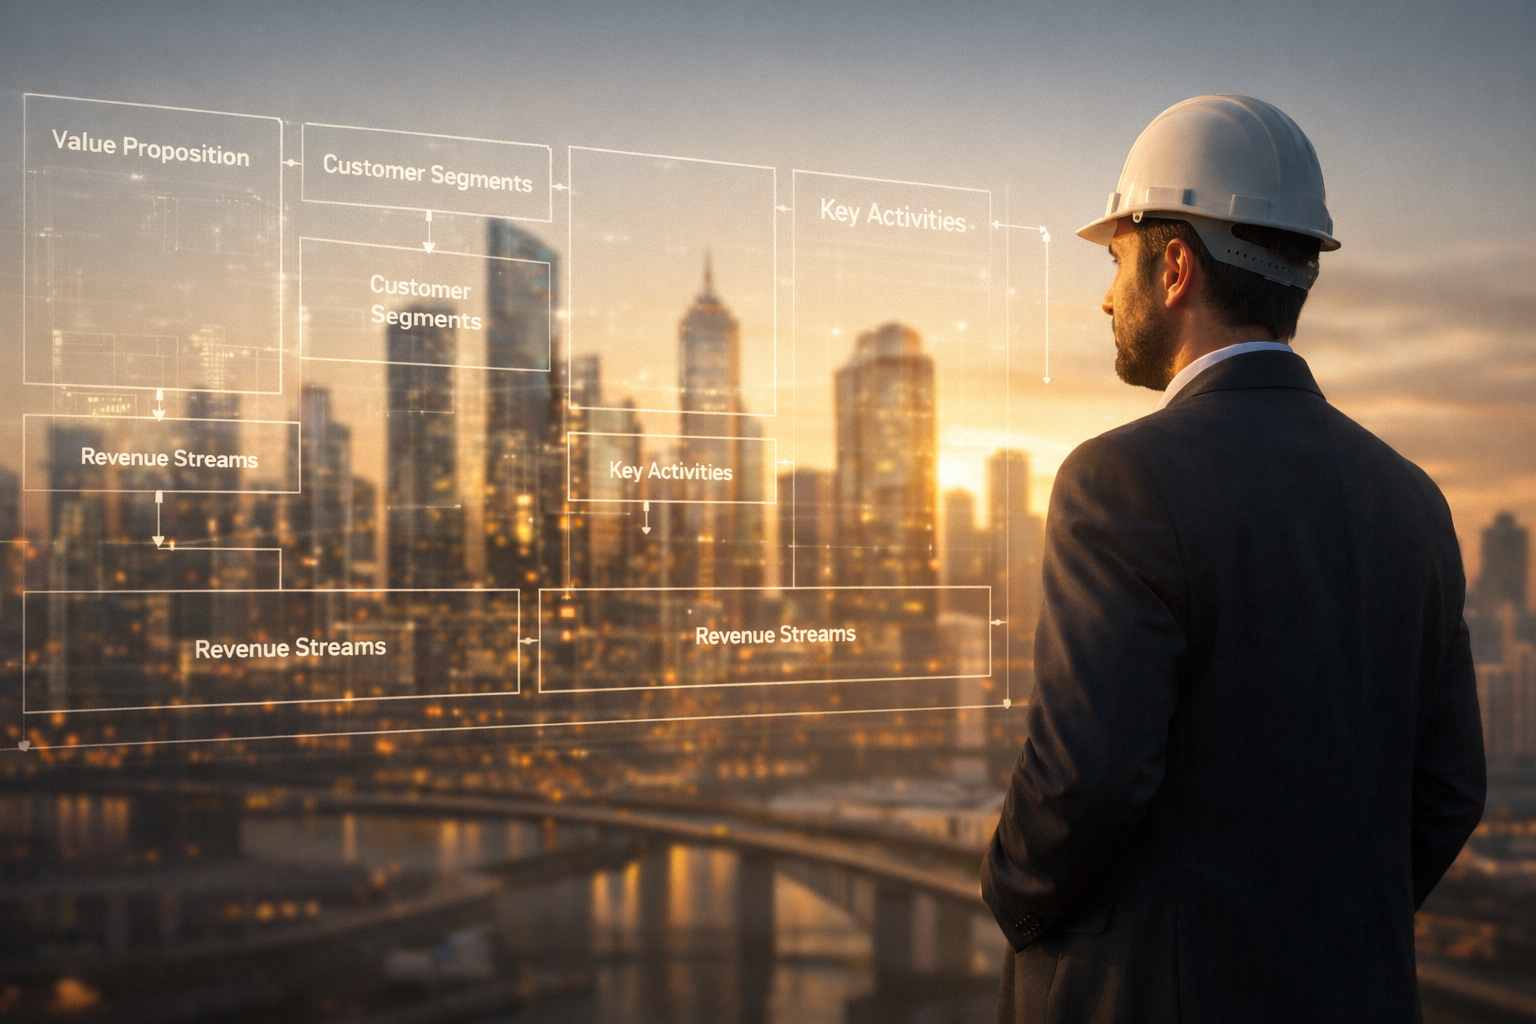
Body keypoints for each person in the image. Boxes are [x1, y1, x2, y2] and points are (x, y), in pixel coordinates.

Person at [982, 95, 1486, 1023]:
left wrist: (1011, 897)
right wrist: (1319, 928)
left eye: (1116, 258)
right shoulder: (1412, 498)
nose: (1103, 294)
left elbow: (1086, 777)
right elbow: (1450, 788)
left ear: (1174, 267)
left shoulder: (1118, 480)